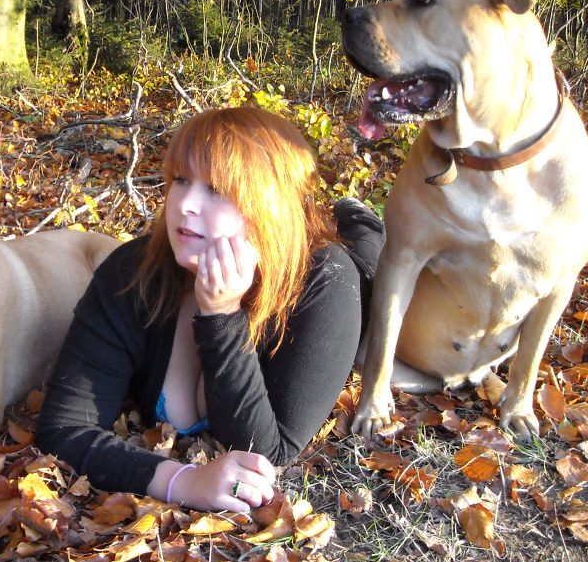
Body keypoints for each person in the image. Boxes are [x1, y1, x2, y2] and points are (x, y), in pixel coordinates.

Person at [35, 106, 384, 512]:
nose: (185, 204)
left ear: (269, 205)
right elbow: (64, 426)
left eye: (217, 189)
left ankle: (358, 216)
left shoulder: (325, 280)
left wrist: (222, 315)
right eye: (181, 180)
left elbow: (268, 452)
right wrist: (181, 480)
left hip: (353, 270)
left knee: (367, 252)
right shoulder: (131, 272)